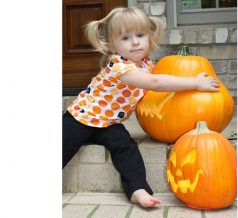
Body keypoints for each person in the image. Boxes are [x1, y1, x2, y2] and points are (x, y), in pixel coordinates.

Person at [63, 6, 220, 208]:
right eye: (125, 38)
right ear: (112, 45)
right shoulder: (119, 66)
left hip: (109, 123)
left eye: (140, 35)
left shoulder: (145, 65)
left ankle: (137, 189)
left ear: (149, 37)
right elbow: (155, 84)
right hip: (81, 119)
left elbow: (160, 82)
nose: (135, 42)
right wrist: (194, 83)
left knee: (127, 149)